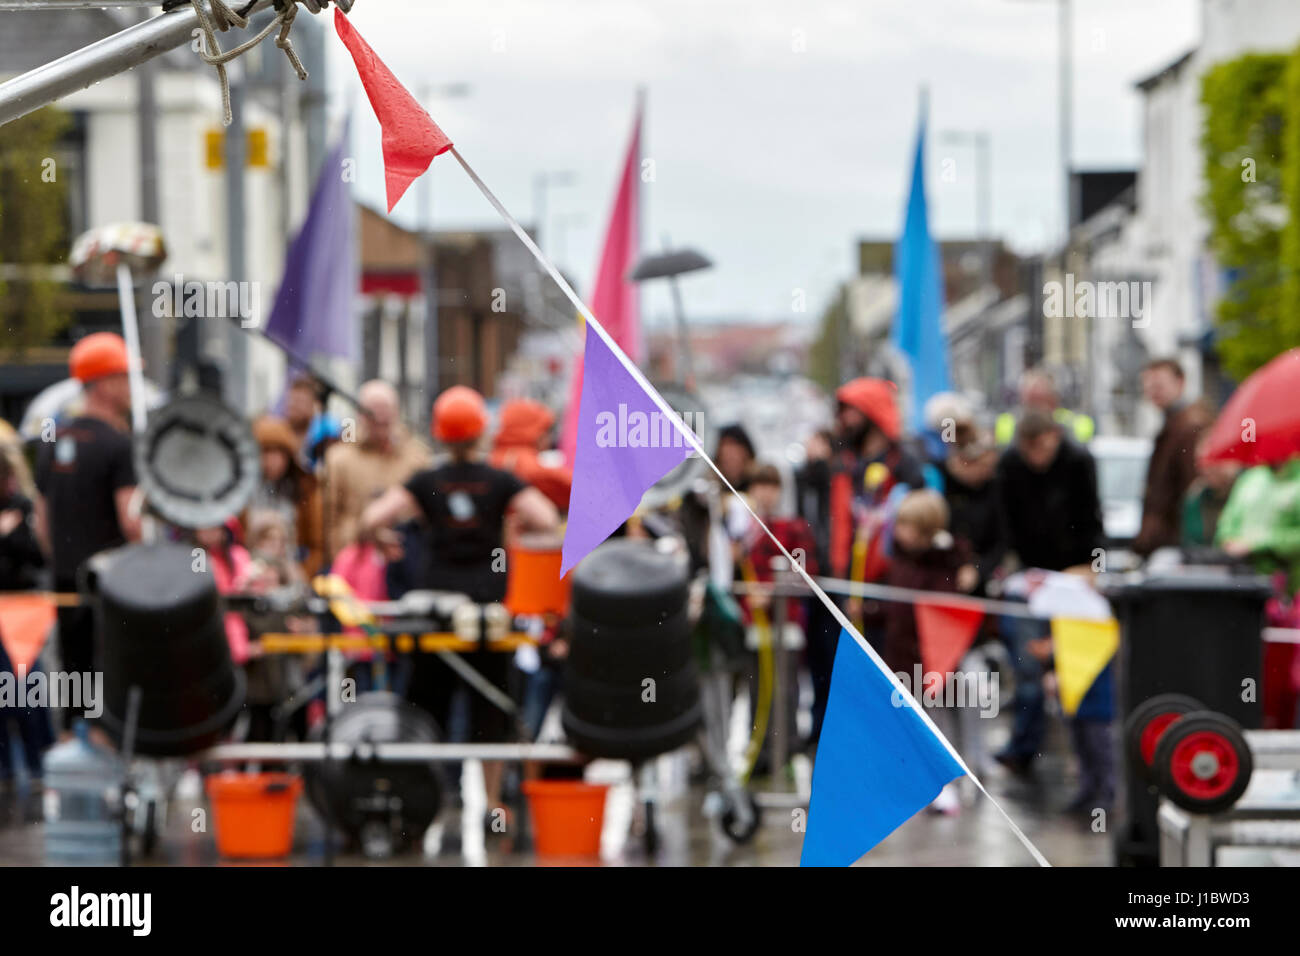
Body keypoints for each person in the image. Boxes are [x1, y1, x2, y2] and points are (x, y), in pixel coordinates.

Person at [360, 385, 559, 826]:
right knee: (492, 711)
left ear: (441, 435)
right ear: (480, 433)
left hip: (437, 614)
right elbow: (547, 519)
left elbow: (373, 518)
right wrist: (514, 531)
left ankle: (421, 802)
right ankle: (492, 806)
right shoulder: (501, 481)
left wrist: (382, 538)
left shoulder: (426, 481)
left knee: (425, 709)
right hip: (489, 613)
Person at [33, 333, 142, 723]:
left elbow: (41, 520)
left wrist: (62, 560)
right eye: (126, 377)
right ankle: (105, 752)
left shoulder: (52, 439)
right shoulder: (118, 443)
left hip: (65, 583)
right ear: (105, 383)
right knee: (110, 681)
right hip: (111, 590)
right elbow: (132, 521)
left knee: (73, 678)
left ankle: (71, 751)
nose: (131, 388)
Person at [993, 408, 1103, 775]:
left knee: (1073, 668)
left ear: (1054, 438)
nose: (1036, 459)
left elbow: (1091, 518)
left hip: (1072, 572)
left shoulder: (1077, 461)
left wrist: (1090, 566)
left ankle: (1084, 756)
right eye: (1029, 451)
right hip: (1030, 575)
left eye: (1040, 449)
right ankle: (1026, 747)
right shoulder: (1010, 466)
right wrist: (1018, 568)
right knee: (1028, 666)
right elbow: (1006, 521)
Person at [322, 380, 429, 560]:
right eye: (373, 410)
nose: (380, 416)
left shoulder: (417, 458)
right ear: (360, 414)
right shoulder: (339, 459)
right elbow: (330, 522)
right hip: (356, 560)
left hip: (404, 558)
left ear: (396, 412)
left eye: (385, 409)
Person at [0, 448, 52, 813]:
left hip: (22, 613)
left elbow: (37, 554)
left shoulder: (22, 505)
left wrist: (14, 533)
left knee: (27, 690)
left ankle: (38, 765)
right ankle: (5, 770)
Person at [1133, 358, 1210, 557]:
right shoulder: (1175, 424)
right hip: (1167, 541)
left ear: (1180, 382)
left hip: (1174, 543)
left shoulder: (1188, 426)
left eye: (1159, 385)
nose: (1152, 391)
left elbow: (1193, 487)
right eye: (1148, 386)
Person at [250, 416, 325, 579]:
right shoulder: (245, 492)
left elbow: (316, 545)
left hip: (291, 574)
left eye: (278, 453)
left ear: (288, 456)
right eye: (265, 452)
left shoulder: (305, 491)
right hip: (252, 572)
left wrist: (303, 575)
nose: (271, 460)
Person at [1216, 457, 1300, 591]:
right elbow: (1226, 526)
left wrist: (1260, 544)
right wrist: (1230, 541)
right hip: (1245, 581)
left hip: (1291, 587)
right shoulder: (1250, 479)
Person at [940, 430, 1005, 594]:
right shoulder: (938, 481)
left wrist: (978, 569)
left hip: (980, 580)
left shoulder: (993, 488)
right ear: (963, 462)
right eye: (983, 466)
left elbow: (1001, 540)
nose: (989, 472)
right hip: (940, 576)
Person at [488, 398, 572, 511]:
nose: (549, 438)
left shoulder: (492, 458)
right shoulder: (527, 464)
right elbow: (576, 489)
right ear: (534, 431)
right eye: (546, 431)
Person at [994, 368, 1095, 446]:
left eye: (1040, 401)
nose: (1036, 409)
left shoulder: (1073, 425)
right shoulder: (1008, 424)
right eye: (1032, 402)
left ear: (1053, 402)